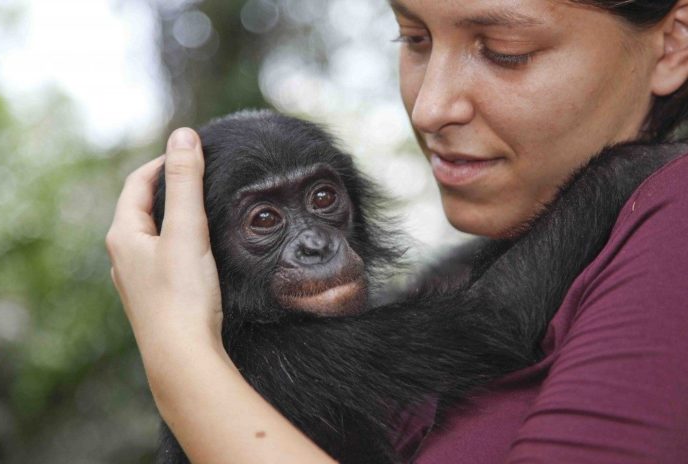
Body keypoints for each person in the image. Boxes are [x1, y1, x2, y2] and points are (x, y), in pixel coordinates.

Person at [105, 0, 688, 462]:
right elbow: (486, 318)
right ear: (200, 252)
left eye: (504, 50)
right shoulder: (273, 356)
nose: (428, 109)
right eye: (412, 39)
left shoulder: (670, 216)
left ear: (672, 44)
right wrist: (619, 171)